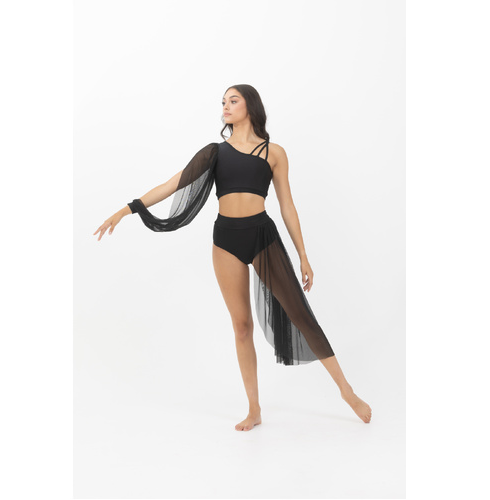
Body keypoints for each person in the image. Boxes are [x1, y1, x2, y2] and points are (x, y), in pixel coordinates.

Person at [94, 84, 372, 431]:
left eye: (233, 101)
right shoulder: (215, 153)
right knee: (241, 327)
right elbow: (172, 184)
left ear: (250, 106)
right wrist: (126, 210)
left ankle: (346, 391)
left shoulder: (274, 153)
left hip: (262, 236)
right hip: (226, 240)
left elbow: (287, 205)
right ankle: (254, 410)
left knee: (300, 313)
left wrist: (303, 255)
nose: (225, 106)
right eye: (223, 102)